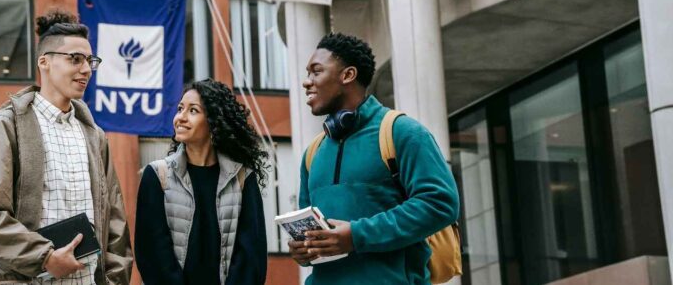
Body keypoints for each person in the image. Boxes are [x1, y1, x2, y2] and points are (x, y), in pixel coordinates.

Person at [0, 9, 133, 284]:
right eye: (75, 59)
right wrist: (45, 257)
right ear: (45, 62)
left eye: (90, 60)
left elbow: (115, 222)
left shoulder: (95, 136)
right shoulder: (7, 126)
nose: (86, 69)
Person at [289, 33, 460, 285]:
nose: (307, 82)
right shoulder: (313, 153)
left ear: (347, 75)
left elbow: (440, 203)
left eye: (316, 72)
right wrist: (303, 250)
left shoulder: (402, 132)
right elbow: (309, 230)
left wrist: (356, 235)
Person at [135, 79, 268, 285]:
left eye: (193, 111)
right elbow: (152, 255)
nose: (180, 117)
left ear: (214, 121)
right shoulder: (157, 175)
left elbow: (251, 256)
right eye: (180, 109)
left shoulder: (242, 178)